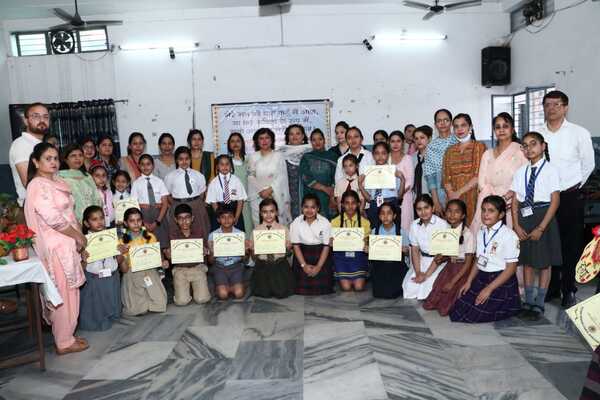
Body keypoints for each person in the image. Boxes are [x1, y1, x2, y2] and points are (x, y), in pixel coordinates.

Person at [25, 142, 89, 354]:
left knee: (71, 291)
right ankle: (63, 341)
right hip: (55, 247)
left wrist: (78, 238)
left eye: (55, 158)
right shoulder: (37, 185)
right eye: (48, 159)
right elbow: (53, 219)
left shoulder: (58, 181)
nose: (53, 162)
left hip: (68, 243)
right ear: (36, 162)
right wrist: (78, 236)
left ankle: (67, 334)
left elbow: (70, 213)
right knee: (62, 292)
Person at [540, 91, 594, 307]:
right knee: (548, 243)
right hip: (544, 197)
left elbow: (588, 164)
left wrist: (573, 186)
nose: (551, 108)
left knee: (570, 244)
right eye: (547, 104)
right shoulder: (537, 133)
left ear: (565, 107)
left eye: (556, 104)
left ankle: (569, 289)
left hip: (570, 195)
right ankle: (551, 288)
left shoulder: (579, 133)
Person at [512, 132, 562, 319]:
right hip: (525, 217)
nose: (529, 148)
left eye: (533, 144)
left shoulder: (551, 170)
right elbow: (516, 201)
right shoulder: (520, 172)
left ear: (543, 146)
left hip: (544, 217)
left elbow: (555, 201)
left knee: (544, 262)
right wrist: (516, 225)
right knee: (527, 262)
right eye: (525, 145)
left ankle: (540, 302)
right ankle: (528, 301)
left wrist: (541, 227)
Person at [450, 195, 521, 323]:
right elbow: (478, 260)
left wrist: (489, 289)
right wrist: (469, 281)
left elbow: (511, 269)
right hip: (483, 276)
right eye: (483, 210)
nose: (485, 214)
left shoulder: (509, 235)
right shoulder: (481, 232)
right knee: (457, 310)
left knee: (472, 316)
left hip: (500, 280)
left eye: (491, 211)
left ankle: (509, 305)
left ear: (501, 215)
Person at [471, 113, 527, 235]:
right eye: (497, 127)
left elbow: (525, 179)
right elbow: (481, 182)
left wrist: (507, 197)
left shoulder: (521, 151)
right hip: (489, 202)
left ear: (512, 130)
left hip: (512, 202)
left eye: (505, 126)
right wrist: (494, 201)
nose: (501, 130)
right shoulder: (487, 153)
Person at [423, 199, 475, 316]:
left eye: (456, 212)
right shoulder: (447, 231)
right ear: (445, 213)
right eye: (449, 211)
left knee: (447, 303)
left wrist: (452, 282)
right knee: (436, 291)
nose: (452, 215)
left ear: (463, 215)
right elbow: (448, 254)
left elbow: (468, 263)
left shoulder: (467, 234)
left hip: (462, 270)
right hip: (450, 266)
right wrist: (442, 258)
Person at [117, 208, 168, 316]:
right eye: (132, 221)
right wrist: (120, 255)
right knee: (135, 310)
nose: (136, 223)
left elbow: (158, 258)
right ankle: (141, 298)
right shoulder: (122, 242)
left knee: (160, 304)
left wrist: (163, 262)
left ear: (142, 221)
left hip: (150, 271)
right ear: (126, 223)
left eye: (138, 220)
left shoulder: (150, 237)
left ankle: (146, 296)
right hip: (131, 272)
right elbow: (124, 269)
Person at [79, 206, 121, 331]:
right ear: (86, 223)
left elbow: (118, 260)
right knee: (97, 305)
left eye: (102, 218)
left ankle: (112, 314)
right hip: (94, 279)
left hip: (111, 276)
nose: (99, 222)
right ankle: (97, 319)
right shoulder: (83, 241)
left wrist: (120, 252)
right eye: (94, 219)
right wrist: (84, 259)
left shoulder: (112, 237)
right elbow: (81, 268)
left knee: (111, 298)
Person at [442, 113, 487, 225]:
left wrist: (458, 193)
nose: (460, 129)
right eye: (456, 126)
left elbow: (478, 176)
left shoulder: (479, 147)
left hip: (473, 196)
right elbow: (446, 177)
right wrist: (451, 194)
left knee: (471, 233)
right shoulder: (449, 150)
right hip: (452, 198)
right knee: (454, 233)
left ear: (470, 127)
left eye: (463, 125)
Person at [404, 194, 449, 300]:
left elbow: (441, 254)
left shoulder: (442, 225)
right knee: (410, 288)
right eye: (419, 209)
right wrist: (419, 272)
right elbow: (415, 250)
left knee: (426, 287)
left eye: (426, 208)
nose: (423, 212)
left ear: (432, 208)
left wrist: (427, 274)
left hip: (438, 262)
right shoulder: (414, 225)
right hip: (422, 260)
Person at [164, 203, 211, 306]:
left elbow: (207, 251)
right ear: (176, 220)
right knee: (182, 302)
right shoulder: (172, 235)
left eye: (187, 218)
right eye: (180, 218)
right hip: (181, 270)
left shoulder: (199, 232)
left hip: (197, 268)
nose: (184, 221)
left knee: (202, 299)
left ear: (192, 218)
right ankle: (186, 288)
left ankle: (194, 287)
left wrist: (206, 251)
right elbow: (168, 255)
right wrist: (168, 255)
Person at [164, 146, 211, 244]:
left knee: (200, 231)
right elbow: (168, 194)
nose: (184, 162)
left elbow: (202, 193)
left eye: (187, 159)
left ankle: (202, 254)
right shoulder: (170, 176)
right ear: (176, 160)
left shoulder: (198, 175)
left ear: (190, 159)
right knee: (178, 234)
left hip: (196, 205)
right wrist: (176, 204)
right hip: (178, 206)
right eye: (181, 159)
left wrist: (196, 203)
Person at [290, 194, 334, 295]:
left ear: (318, 208)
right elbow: (296, 246)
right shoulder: (296, 222)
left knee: (323, 288)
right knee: (299, 287)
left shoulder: (325, 223)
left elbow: (326, 246)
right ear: (302, 208)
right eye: (306, 207)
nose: (309, 210)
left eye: (313, 207)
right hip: (302, 255)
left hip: (320, 255)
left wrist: (318, 267)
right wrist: (304, 265)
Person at [251, 198, 295, 298]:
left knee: (281, 293)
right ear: (261, 213)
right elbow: (254, 257)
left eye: (272, 211)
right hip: (263, 265)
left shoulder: (283, 229)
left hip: (279, 264)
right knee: (264, 294)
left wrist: (288, 248)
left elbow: (289, 253)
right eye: (265, 212)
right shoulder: (256, 231)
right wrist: (252, 250)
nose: (268, 215)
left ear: (276, 212)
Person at [247, 127, 292, 226]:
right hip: (258, 196)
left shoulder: (278, 156)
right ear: (257, 141)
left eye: (267, 138)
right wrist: (261, 191)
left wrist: (270, 190)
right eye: (261, 138)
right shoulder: (253, 157)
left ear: (272, 140)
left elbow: (282, 176)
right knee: (259, 225)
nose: (264, 141)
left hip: (276, 196)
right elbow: (251, 176)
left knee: (278, 227)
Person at [9, 102, 47, 213]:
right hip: (34, 209)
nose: (42, 120)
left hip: (47, 205)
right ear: (26, 121)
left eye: (45, 117)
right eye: (36, 116)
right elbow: (29, 183)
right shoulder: (21, 145)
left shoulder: (41, 145)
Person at [330, 190, 370, 291]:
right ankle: (348, 278)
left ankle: (357, 277)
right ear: (342, 205)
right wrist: (331, 242)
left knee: (359, 287)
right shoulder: (335, 222)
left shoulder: (365, 222)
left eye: (353, 203)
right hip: (341, 257)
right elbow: (332, 241)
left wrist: (366, 245)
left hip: (358, 257)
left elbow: (365, 241)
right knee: (346, 288)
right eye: (347, 203)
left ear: (358, 204)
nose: (350, 206)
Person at [369, 202, 409, 299]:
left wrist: (405, 250)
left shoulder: (401, 231)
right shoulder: (375, 231)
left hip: (396, 267)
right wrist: (368, 249)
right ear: (379, 216)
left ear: (394, 216)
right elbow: (372, 254)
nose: (385, 216)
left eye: (389, 213)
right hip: (380, 267)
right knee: (378, 293)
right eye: (382, 213)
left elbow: (408, 254)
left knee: (392, 293)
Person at [208, 206, 248, 300]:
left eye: (230, 217)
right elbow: (210, 261)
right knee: (223, 295)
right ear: (218, 219)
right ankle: (223, 286)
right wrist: (213, 251)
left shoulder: (240, 235)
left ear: (234, 218)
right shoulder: (213, 236)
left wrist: (245, 252)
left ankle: (233, 285)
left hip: (236, 266)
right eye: (223, 217)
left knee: (239, 294)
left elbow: (245, 259)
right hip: (220, 267)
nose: (226, 220)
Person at [130, 154, 170, 248]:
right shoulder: (136, 183)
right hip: (143, 217)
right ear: (139, 166)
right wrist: (143, 222)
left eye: (148, 164)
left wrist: (158, 221)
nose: (145, 167)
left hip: (159, 216)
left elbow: (165, 203)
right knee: (147, 246)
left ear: (153, 165)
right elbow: (133, 204)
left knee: (161, 244)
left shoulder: (159, 181)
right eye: (142, 164)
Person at [424, 109, 458, 215]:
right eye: (439, 121)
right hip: (440, 194)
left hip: (460, 191)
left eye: (446, 120)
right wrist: (435, 201)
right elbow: (430, 178)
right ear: (435, 125)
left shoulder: (458, 142)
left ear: (451, 123)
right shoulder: (431, 147)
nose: (442, 123)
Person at [299, 128, 338, 219]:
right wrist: (324, 188)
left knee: (328, 224)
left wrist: (332, 195)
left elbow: (337, 177)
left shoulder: (333, 156)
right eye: (314, 140)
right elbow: (306, 177)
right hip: (311, 195)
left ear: (324, 140)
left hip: (329, 196)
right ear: (311, 142)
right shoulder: (306, 157)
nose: (317, 142)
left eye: (320, 139)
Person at [58, 144, 102, 223]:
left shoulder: (87, 176)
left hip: (93, 221)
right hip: (73, 221)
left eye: (80, 155)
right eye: (73, 156)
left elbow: (96, 197)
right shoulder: (60, 177)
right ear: (65, 159)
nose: (77, 158)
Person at [206, 154, 248, 231]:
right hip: (219, 210)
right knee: (219, 235)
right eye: (222, 164)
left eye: (227, 164)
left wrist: (237, 217)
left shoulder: (236, 180)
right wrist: (220, 217)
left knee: (238, 234)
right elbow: (213, 202)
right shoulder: (213, 182)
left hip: (234, 210)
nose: (225, 167)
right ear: (217, 167)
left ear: (231, 166)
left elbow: (240, 200)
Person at [363, 142, 400, 227]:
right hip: (374, 205)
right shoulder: (369, 171)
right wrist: (361, 186)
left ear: (388, 154)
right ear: (373, 155)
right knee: (375, 231)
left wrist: (401, 179)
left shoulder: (393, 170)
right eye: (377, 153)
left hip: (390, 203)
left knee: (392, 231)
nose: (380, 156)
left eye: (383, 153)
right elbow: (369, 196)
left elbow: (398, 192)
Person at [280, 124, 312, 219]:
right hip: (288, 194)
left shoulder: (311, 151)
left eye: (298, 134)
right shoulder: (280, 152)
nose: (294, 136)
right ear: (287, 137)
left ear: (303, 136)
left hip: (308, 191)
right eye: (291, 134)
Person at [228, 132, 254, 238]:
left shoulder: (249, 160)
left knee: (248, 229)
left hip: (247, 202)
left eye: (238, 141)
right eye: (232, 141)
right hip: (232, 202)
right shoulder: (226, 162)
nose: (235, 144)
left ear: (242, 143)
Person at [389, 130, 414, 233]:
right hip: (388, 200)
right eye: (392, 141)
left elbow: (410, 182)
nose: (395, 144)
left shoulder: (408, 158)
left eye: (398, 141)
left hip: (404, 199)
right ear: (388, 142)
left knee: (405, 227)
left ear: (403, 142)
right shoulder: (386, 159)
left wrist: (397, 194)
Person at [89, 161, 114, 228]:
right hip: (98, 225)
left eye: (104, 175)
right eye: (97, 175)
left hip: (111, 222)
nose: (101, 178)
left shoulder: (109, 192)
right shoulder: (91, 193)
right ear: (90, 177)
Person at [412, 125, 433, 199]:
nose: (419, 141)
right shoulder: (412, 158)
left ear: (429, 139)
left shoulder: (435, 157)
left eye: (422, 137)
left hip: (432, 199)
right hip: (415, 200)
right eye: (416, 138)